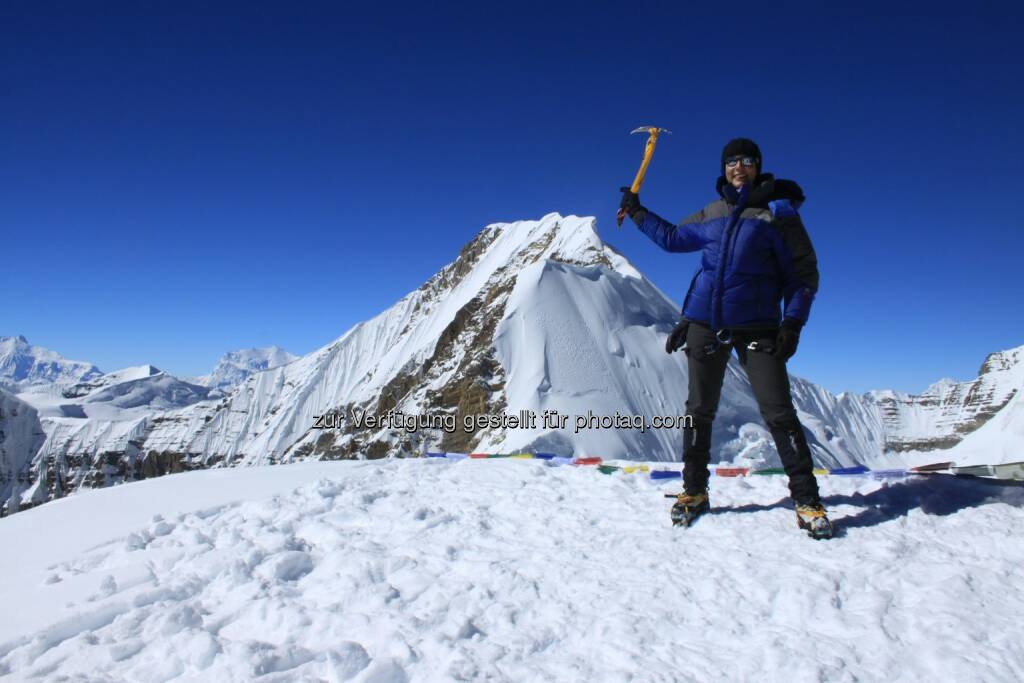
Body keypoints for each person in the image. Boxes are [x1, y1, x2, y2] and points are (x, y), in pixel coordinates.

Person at [619, 138, 832, 539]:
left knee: (778, 411)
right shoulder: (712, 213)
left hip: (759, 327)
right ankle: (694, 492)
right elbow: (672, 239)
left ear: (758, 167)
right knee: (698, 410)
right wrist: (636, 212)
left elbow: (802, 276)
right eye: (732, 161)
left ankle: (806, 499)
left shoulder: (777, 214)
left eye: (747, 160)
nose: (739, 166)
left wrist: (793, 323)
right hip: (705, 324)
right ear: (724, 168)